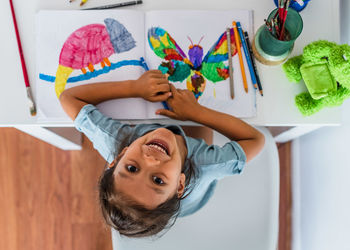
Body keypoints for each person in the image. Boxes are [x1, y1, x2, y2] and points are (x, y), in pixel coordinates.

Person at [59, 70, 265, 238]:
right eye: (157, 180)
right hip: (191, 200)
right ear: (180, 184)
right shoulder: (205, 165)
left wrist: (134, 87)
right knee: (201, 130)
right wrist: (196, 113)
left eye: (132, 168)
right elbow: (255, 140)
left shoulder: (114, 141)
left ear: (118, 157)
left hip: (165, 195)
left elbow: (69, 98)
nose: (150, 160)